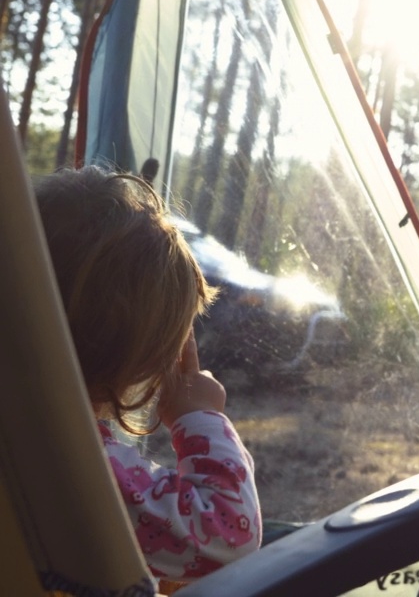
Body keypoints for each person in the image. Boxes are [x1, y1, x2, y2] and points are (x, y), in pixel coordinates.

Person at [35, 166, 262, 582]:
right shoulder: (73, 464)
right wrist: (200, 418)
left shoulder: (23, 430)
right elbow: (227, 534)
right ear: (141, 356)